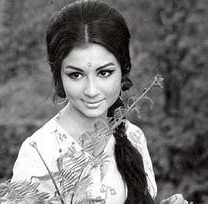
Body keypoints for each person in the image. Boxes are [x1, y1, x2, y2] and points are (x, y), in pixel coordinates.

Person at [11, 0, 189, 203]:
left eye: (104, 73)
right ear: (58, 75)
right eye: (76, 75)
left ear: (123, 70)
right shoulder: (39, 152)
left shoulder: (133, 137)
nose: (92, 91)